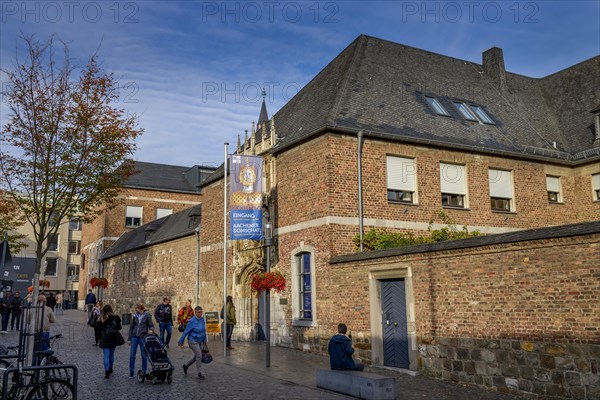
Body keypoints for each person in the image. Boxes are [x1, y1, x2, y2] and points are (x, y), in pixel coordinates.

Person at [177, 306, 207, 380]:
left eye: (201, 312)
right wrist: (181, 341)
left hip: (200, 340)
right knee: (199, 355)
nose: (200, 313)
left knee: (196, 357)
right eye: (199, 312)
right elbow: (186, 332)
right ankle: (199, 373)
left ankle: (186, 366)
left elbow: (203, 331)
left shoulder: (202, 320)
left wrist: (204, 340)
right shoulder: (192, 321)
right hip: (192, 341)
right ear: (195, 312)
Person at [96, 304, 124, 379]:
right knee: (111, 355)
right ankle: (110, 368)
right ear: (111, 310)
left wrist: (98, 339)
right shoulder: (115, 317)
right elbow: (119, 328)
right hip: (113, 338)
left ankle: (106, 372)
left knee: (106, 356)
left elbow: (97, 331)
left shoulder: (100, 319)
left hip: (104, 339)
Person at [128, 303, 154, 378]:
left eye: (137, 309)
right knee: (132, 355)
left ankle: (144, 371)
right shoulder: (134, 315)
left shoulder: (147, 315)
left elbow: (151, 325)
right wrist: (129, 339)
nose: (136, 310)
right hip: (134, 337)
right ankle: (131, 372)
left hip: (143, 337)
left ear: (140, 308)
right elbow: (131, 327)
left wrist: (151, 330)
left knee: (144, 355)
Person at [29, 294, 55, 364]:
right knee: (45, 350)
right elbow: (53, 320)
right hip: (44, 332)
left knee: (35, 351)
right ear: (44, 301)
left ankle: (34, 368)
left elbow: (28, 321)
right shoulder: (48, 309)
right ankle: (45, 366)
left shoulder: (32, 309)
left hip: (34, 332)